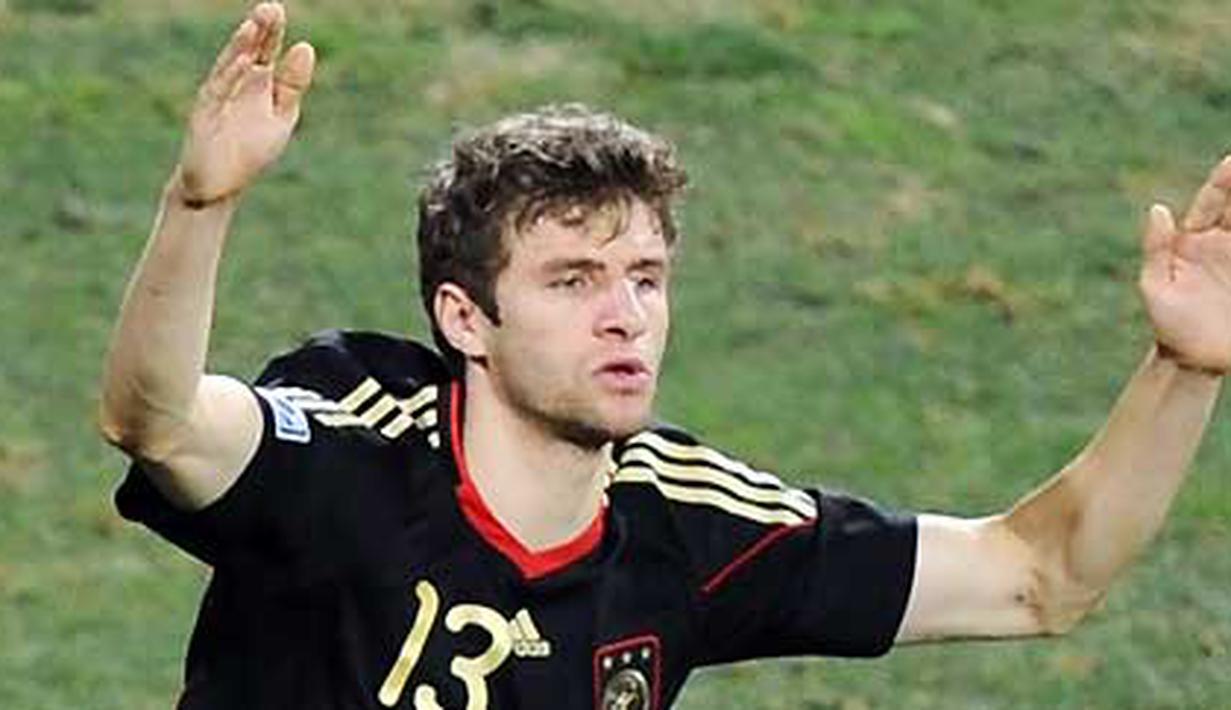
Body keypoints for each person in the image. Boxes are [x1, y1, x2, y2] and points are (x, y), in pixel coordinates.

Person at [99, 3, 1229, 709]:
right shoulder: (350, 438)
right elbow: (155, 417)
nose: (625, 314)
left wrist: (1185, 368)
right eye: (573, 280)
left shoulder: (690, 525)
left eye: (644, 278)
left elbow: (1041, 575)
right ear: (463, 318)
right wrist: (200, 201)